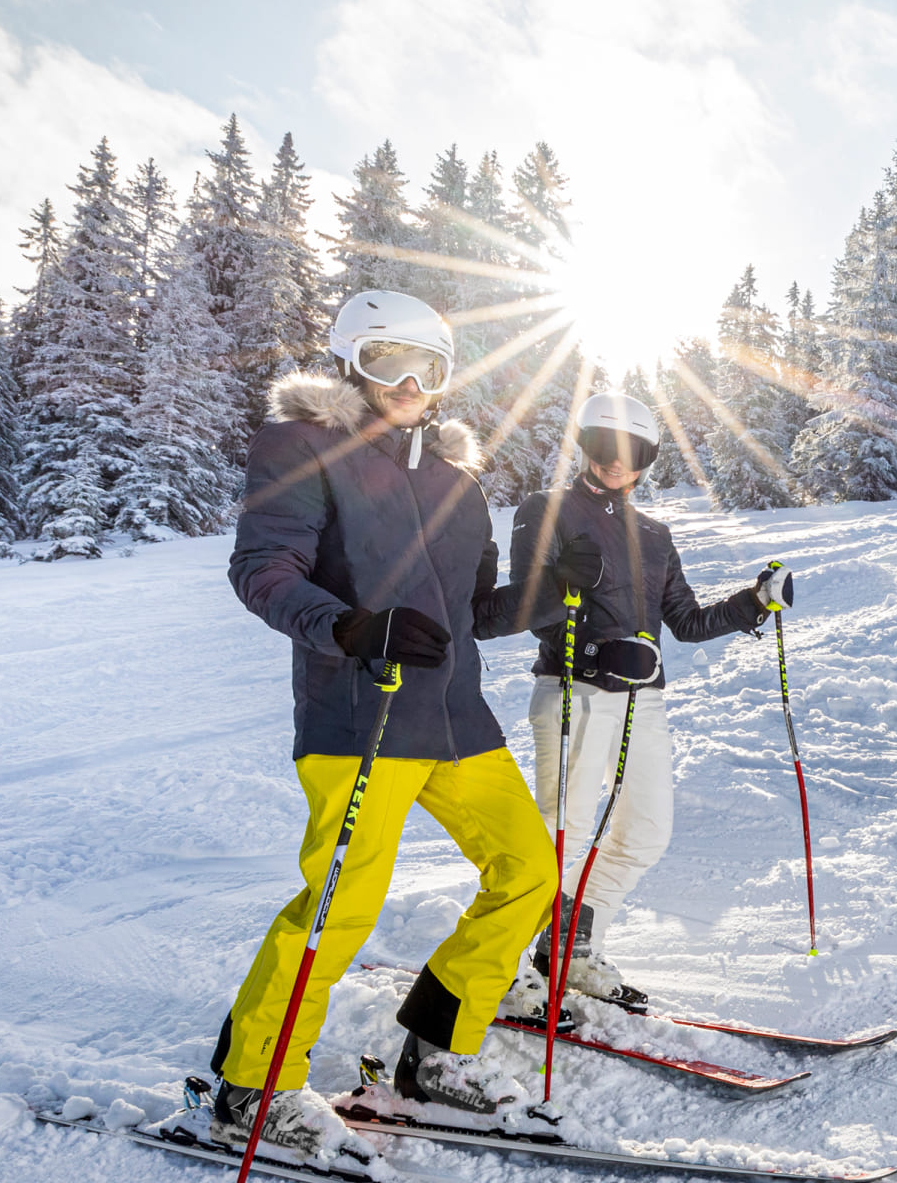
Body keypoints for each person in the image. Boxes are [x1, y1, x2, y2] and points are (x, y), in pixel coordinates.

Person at [213, 291, 601, 1160]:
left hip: (457, 718)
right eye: (390, 360)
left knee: (529, 872)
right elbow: (261, 569)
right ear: (352, 359)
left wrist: (554, 591)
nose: (411, 382)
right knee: (341, 907)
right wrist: (346, 624)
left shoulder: (459, 483)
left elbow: (470, 613)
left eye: (430, 367)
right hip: (360, 713)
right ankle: (254, 1086)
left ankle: (435, 1053)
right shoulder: (301, 446)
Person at [508, 392, 792, 1010]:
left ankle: (571, 948)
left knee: (645, 831)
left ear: (647, 460)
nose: (617, 462)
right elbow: (528, 606)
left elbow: (685, 622)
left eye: (632, 452)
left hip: (644, 702)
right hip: (573, 694)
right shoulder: (545, 509)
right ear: (585, 446)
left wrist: (754, 600)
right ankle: (508, 968)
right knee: (562, 832)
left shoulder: (655, 535)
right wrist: (580, 626)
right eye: (606, 448)